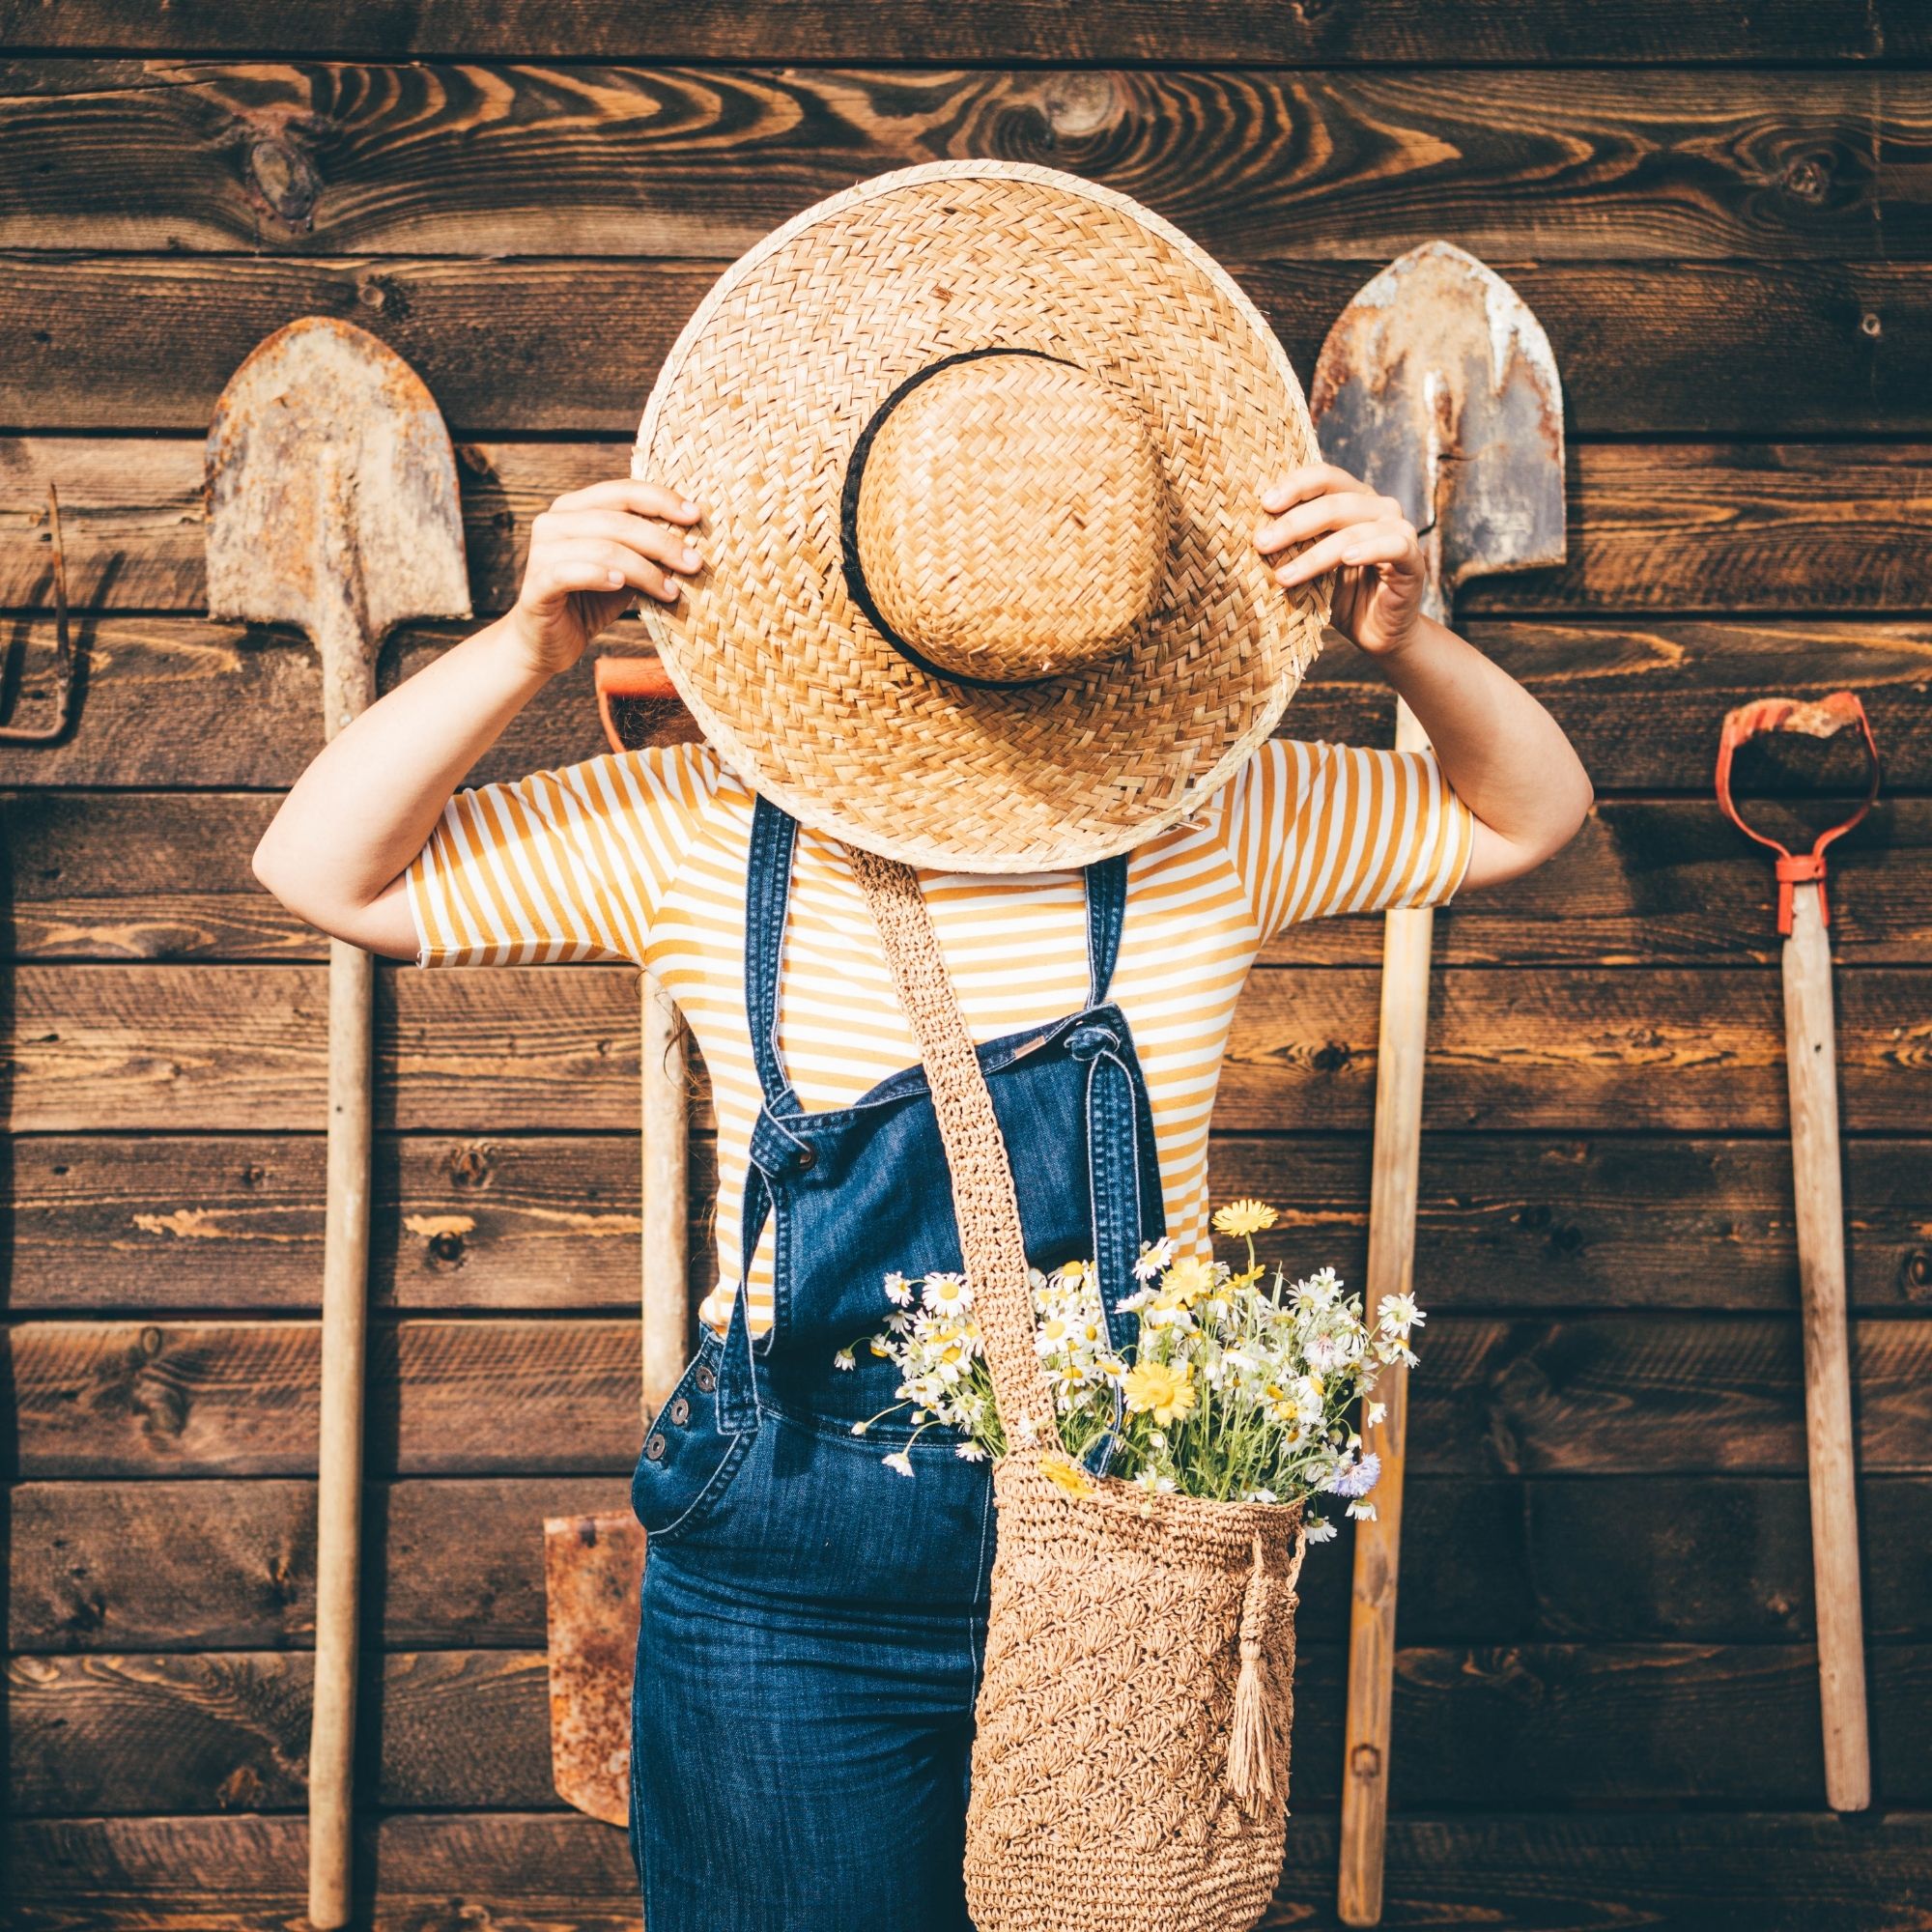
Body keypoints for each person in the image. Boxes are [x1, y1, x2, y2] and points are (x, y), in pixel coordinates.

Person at [253, 164, 1589, 1932]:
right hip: (788, 1585)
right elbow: (318, 865)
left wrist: (1410, 645)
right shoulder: (699, 831)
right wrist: (526, 642)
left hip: (1129, 1553)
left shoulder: (1221, 815)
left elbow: (1528, 817)